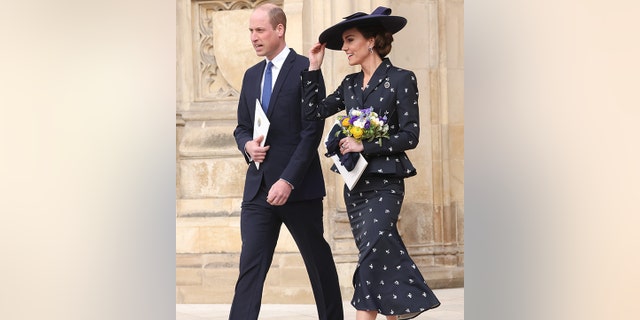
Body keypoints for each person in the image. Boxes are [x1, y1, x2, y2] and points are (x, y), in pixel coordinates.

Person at [301, 6, 441, 320]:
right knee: (376, 258)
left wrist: (365, 143)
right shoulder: (349, 85)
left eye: (350, 40)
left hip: (386, 183)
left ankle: (398, 307)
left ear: (371, 41)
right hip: (356, 187)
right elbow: (312, 113)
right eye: (344, 42)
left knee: (372, 252)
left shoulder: (402, 79)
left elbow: (411, 135)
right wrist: (313, 69)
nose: (346, 48)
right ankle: (398, 311)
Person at [229, 4, 343, 320]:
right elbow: (241, 127)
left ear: (280, 29)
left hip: (298, 188)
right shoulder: (251, 76)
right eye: (251, 31)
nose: (253, 37)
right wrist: (248, 145)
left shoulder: (306, 68)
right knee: (249, 268)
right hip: (257, 190)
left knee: (317, 263)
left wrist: (288, 180)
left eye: (259, 30)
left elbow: (311, 131)